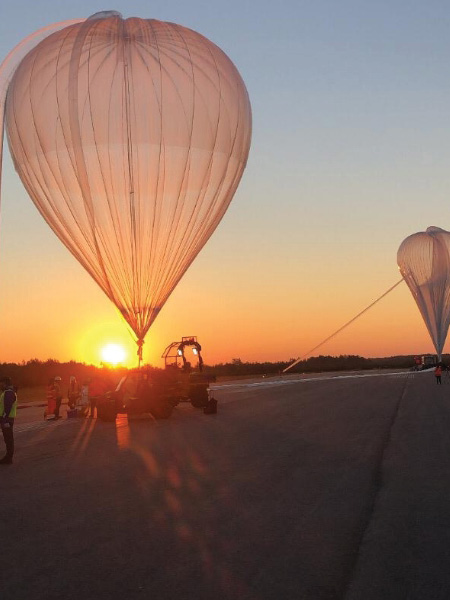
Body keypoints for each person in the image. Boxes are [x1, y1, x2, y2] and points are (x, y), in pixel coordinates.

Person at [0, 377, 17, 464]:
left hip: (7, 419)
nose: (0, 385)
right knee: (8, 438)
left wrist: (4, 419)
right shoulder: (8, 392)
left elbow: (7, 407)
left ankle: (8, 458)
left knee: (8, 438)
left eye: (1, 383)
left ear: (5, 383)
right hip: (7, 418)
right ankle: (8, 457)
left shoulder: (8, 393)